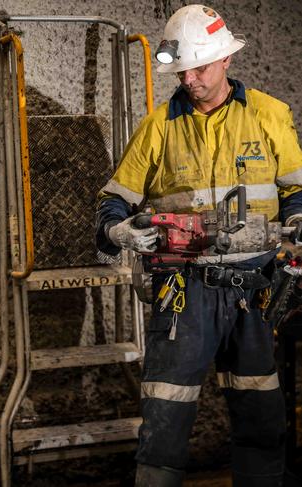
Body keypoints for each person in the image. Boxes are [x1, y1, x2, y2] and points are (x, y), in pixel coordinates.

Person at [95, 5, 302, 487]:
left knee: (260, 415)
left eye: (200, 67)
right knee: (165, 417)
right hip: (183, 293)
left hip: (256, 292)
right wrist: (117, 232)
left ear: (226, 60)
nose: (189, 79)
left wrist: (297, 220)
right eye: (182, 69)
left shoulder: (270, 115)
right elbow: (113, 201)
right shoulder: (158, 126)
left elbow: (296, 191)